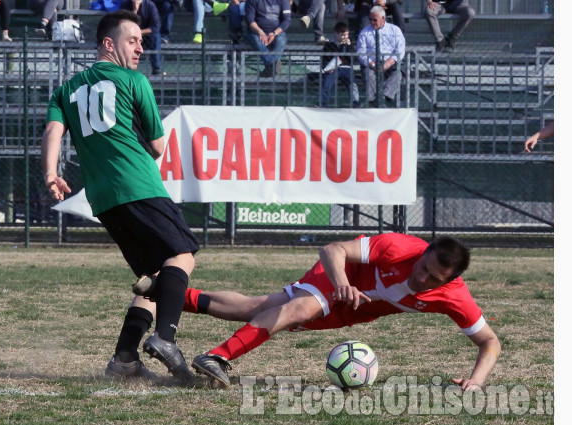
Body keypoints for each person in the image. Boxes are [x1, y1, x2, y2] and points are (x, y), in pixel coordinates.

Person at [40, 10, 200, 381]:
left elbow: (52, 130)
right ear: (109, 44)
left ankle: (125, 359)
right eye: (133, 41)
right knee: (182, 255)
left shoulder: (66, 90)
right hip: (138, 185)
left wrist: (51, 173)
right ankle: (165, 338)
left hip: (103, 198)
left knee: (154, 274)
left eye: (142, 41)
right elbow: (159, 146)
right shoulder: (132, 80)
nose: (141, 48)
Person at [169, 233, 501, 389]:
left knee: (254, 308)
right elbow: (333, 249)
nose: (420, 276)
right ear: (424, 251)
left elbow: (490, 342)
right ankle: (217, 357)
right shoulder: (400, 247)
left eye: (432, 278)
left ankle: (167, 294)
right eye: (423, 266)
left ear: (450, 281)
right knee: (299, 309)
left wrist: (477, 380)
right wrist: (342, 283)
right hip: (337, 278)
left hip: (351, 311)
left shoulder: (455, 297)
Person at [356, 5, 405, 106]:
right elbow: (361, 52)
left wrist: (387, 64)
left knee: (398, 73)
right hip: (372, 63)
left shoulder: (395, 30)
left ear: (383, 18)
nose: (372, 22)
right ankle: (377, 100)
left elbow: (400, 50)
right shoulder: (364, 33)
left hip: (391, 63)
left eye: (375, 19)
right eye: (370, 19)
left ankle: (381, 96)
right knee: (367, 73)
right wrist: (372, 64)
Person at [245, 0, 292, 77]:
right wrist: (260, 32)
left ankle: (270, 68)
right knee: (256, 41)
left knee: (281, 40)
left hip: (276, 32)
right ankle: (273, 65)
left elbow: (287, 21)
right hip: (256, 32)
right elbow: (250, 20)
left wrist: (274, 33)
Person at [321, 21, 360, 108]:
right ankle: (323, 103)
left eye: (346, 34)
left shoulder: (348, 45)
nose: (345, 37)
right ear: (336, 34)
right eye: (342, 34)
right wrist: (327, 68)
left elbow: (354, 58)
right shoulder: (329, 45)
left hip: (346, 67)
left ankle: (356, 102)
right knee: (327, 83)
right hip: (333, 68)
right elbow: (324, 58)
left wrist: (349, 46)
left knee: (352, 84)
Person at [123, 0, 164, 75]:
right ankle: (127, 67)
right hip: (131, 34)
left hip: (146, 35)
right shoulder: (125, 5)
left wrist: (139, 32)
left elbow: (155, 27)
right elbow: (125, 25)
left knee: (155, 37)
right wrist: (135, 10)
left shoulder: (150, 5)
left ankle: (156, 67)